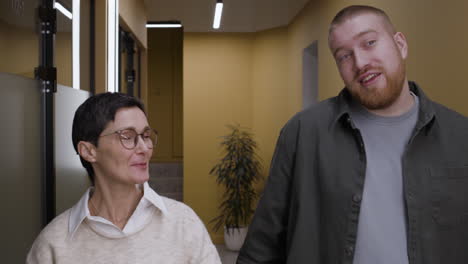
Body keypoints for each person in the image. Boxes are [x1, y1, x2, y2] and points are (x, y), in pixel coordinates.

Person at [237, 5, 468, 264]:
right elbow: (262, 247)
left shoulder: (460, 136)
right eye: (344, 56)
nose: (360, 63)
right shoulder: (303, 133)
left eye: (369, 43)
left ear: (400, 45)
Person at [27, 93, 221, 263]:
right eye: (127, 136)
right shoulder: (53, 243)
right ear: (89, 151)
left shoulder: (183, 223)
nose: (144, 148)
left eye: (145, 135)